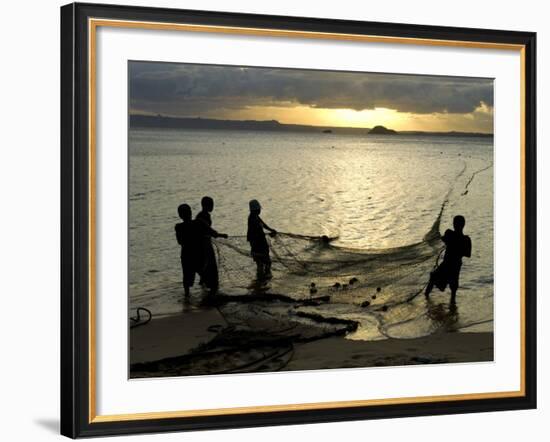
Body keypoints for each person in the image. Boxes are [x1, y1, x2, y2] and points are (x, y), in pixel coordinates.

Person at [425, 215, 472, 305]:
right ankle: (452, 312)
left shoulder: (453, 235)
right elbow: (468, 254)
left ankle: (426, 303)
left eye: (456, 223)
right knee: (451, 288)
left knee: (434, 278)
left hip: (449, 265)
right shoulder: (464, 239)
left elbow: (467, 254)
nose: (455, 225)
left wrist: (454, 245)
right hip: (455, 266)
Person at [195, 196, 228, 296]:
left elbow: (208, 230)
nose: (213, 206)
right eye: (211, 204)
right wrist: (221, 235)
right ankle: (209, 285)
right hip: (203, 243)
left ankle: (204, 285)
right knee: (209, 263)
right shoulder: (202, 216)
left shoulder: (204, 215)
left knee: (206, 263)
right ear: (205, 205)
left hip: (205, 242)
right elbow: (208, 229)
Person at [174, 204, 201, 298]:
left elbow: (179, 241)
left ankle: (187, 295)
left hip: (186, 254)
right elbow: (208, 231)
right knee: (202, 272)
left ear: (180, 215)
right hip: (196, 253)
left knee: (186, 275)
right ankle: (206, 292)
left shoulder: (179, 227)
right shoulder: (197, 223)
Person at [247, 199, 277, 280]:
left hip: (257, 244)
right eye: (259, 209)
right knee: (266, 262)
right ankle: (264, 279)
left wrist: (271, 230)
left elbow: (263, 225)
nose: (260, 210)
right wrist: (269, 234)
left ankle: (260, 281)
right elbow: (257, 232)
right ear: (256, 209)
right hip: (258, 244)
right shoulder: (252, 219)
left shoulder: (255, 216)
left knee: (261, 263)